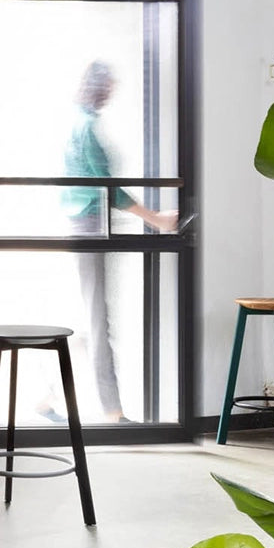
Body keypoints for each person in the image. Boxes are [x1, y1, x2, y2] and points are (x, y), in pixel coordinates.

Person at [59, 60, 177, 424]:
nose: (111, 92)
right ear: (98, 87)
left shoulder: (79, 121)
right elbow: (108, 187)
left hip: (87, 224)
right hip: (90, 225)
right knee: (98, 320)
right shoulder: (87, 127)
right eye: (108, 86)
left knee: (90, 316)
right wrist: (155, 219)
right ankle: (113, 412)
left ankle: (45, 397)